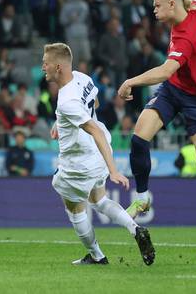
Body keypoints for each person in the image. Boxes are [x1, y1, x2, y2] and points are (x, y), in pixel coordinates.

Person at [117, 0, 196, 249]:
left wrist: (130, 82)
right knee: (139, 138)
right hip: (174, 90)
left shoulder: (185, 36)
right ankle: (143, 197)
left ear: (171, 4)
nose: (153, 10)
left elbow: (166, 70)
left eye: (157, 5)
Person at [42, 43, 154, 266]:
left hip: (78, 162)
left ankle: (96, 255)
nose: (42, 67)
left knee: (75, 210)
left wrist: (114, 171)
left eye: (45, 63)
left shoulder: (66, 101)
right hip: (96, 155)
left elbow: (93, 131)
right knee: (99, 200)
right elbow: (95, 102)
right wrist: (61, 122)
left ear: (57, 67)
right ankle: (136, 229)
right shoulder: (82, 78)